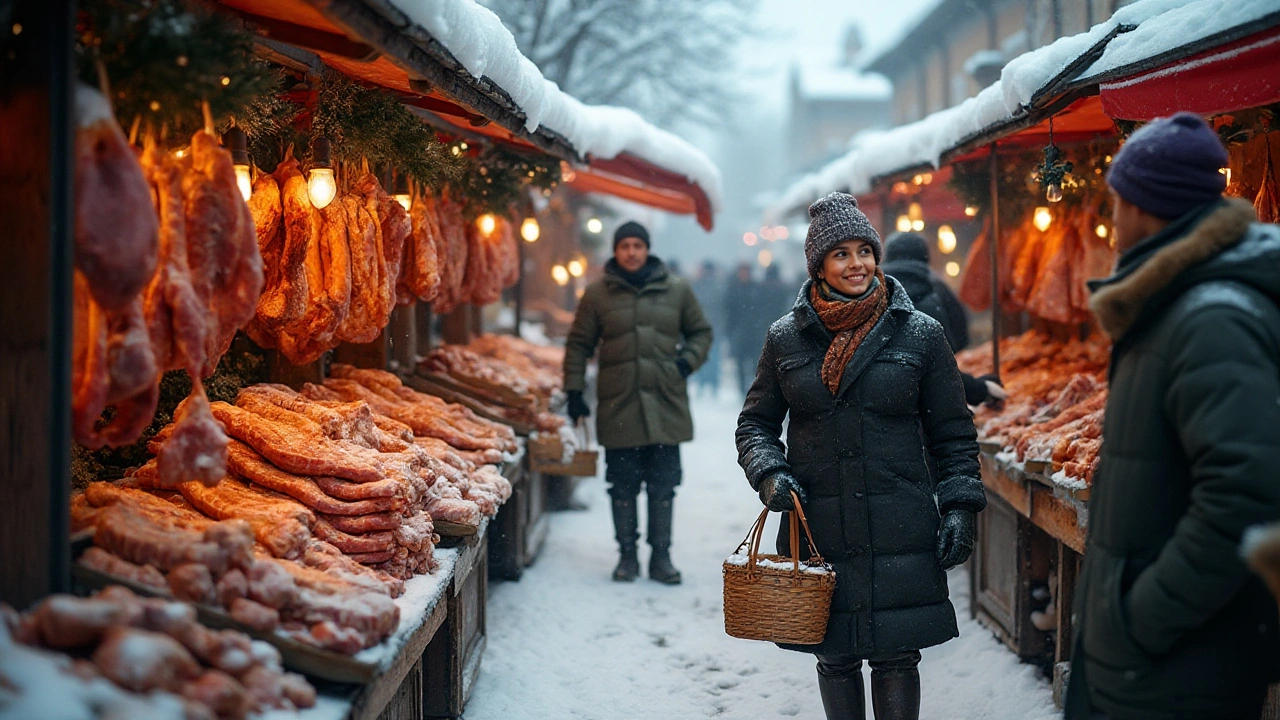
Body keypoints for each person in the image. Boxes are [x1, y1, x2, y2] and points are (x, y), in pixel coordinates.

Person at [736, 193, 985, 720]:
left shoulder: (920, 333)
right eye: (841, 255)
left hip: (901, 521)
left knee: (897, 656)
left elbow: (953, 432)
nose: (857, 264)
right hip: (821, 522)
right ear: (819, 266)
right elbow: (755, 423)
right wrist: (769, 473)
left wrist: (960, 504)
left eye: (864, 251)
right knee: (836, 655)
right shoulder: (787, 338)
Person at [1064, 113, 1280, 720]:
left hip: (1180, 665)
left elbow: (1247, 498)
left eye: (1118, 199)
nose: (1110, 220)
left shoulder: (1210, 317)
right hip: (1153, 666)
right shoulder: (1177, 304)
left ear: (1148, 205)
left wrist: (1138, 620)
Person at [563, 221, 713, 585]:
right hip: (619, 405)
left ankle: (661, 557)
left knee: (664, 486)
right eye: (625, 245)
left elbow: (701, 333)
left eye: (637, 245)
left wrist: (683, 363)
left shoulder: (676, 289)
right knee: (623, 485)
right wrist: (574, 392)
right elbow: (579, 345)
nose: (631, 252)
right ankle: (627, 556)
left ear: (647, 249)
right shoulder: (597, 294)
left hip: (665, 402)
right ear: (616, 250)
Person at [881, 232, 1006, 407]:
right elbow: (939, 365)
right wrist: (978, 389)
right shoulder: (938, 291)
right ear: (925, 257)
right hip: (928, 410)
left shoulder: (871, 298)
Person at [723, 263, 764, 396]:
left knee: (754, 362)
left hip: (753, 331)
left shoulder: (756, 288)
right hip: (739, 332)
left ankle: (753, 388)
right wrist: (730, 330)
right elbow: (729, 311)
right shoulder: (734, 289)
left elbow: (760, 310)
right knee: (740, 362)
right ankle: (742, 389)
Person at [690, 260, 725, 397]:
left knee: (703, 356)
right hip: (713, 328)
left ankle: (704, 384)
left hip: (703, 328)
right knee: (713, 358)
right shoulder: (719, 287)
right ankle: (711, 384)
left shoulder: (698, 286)